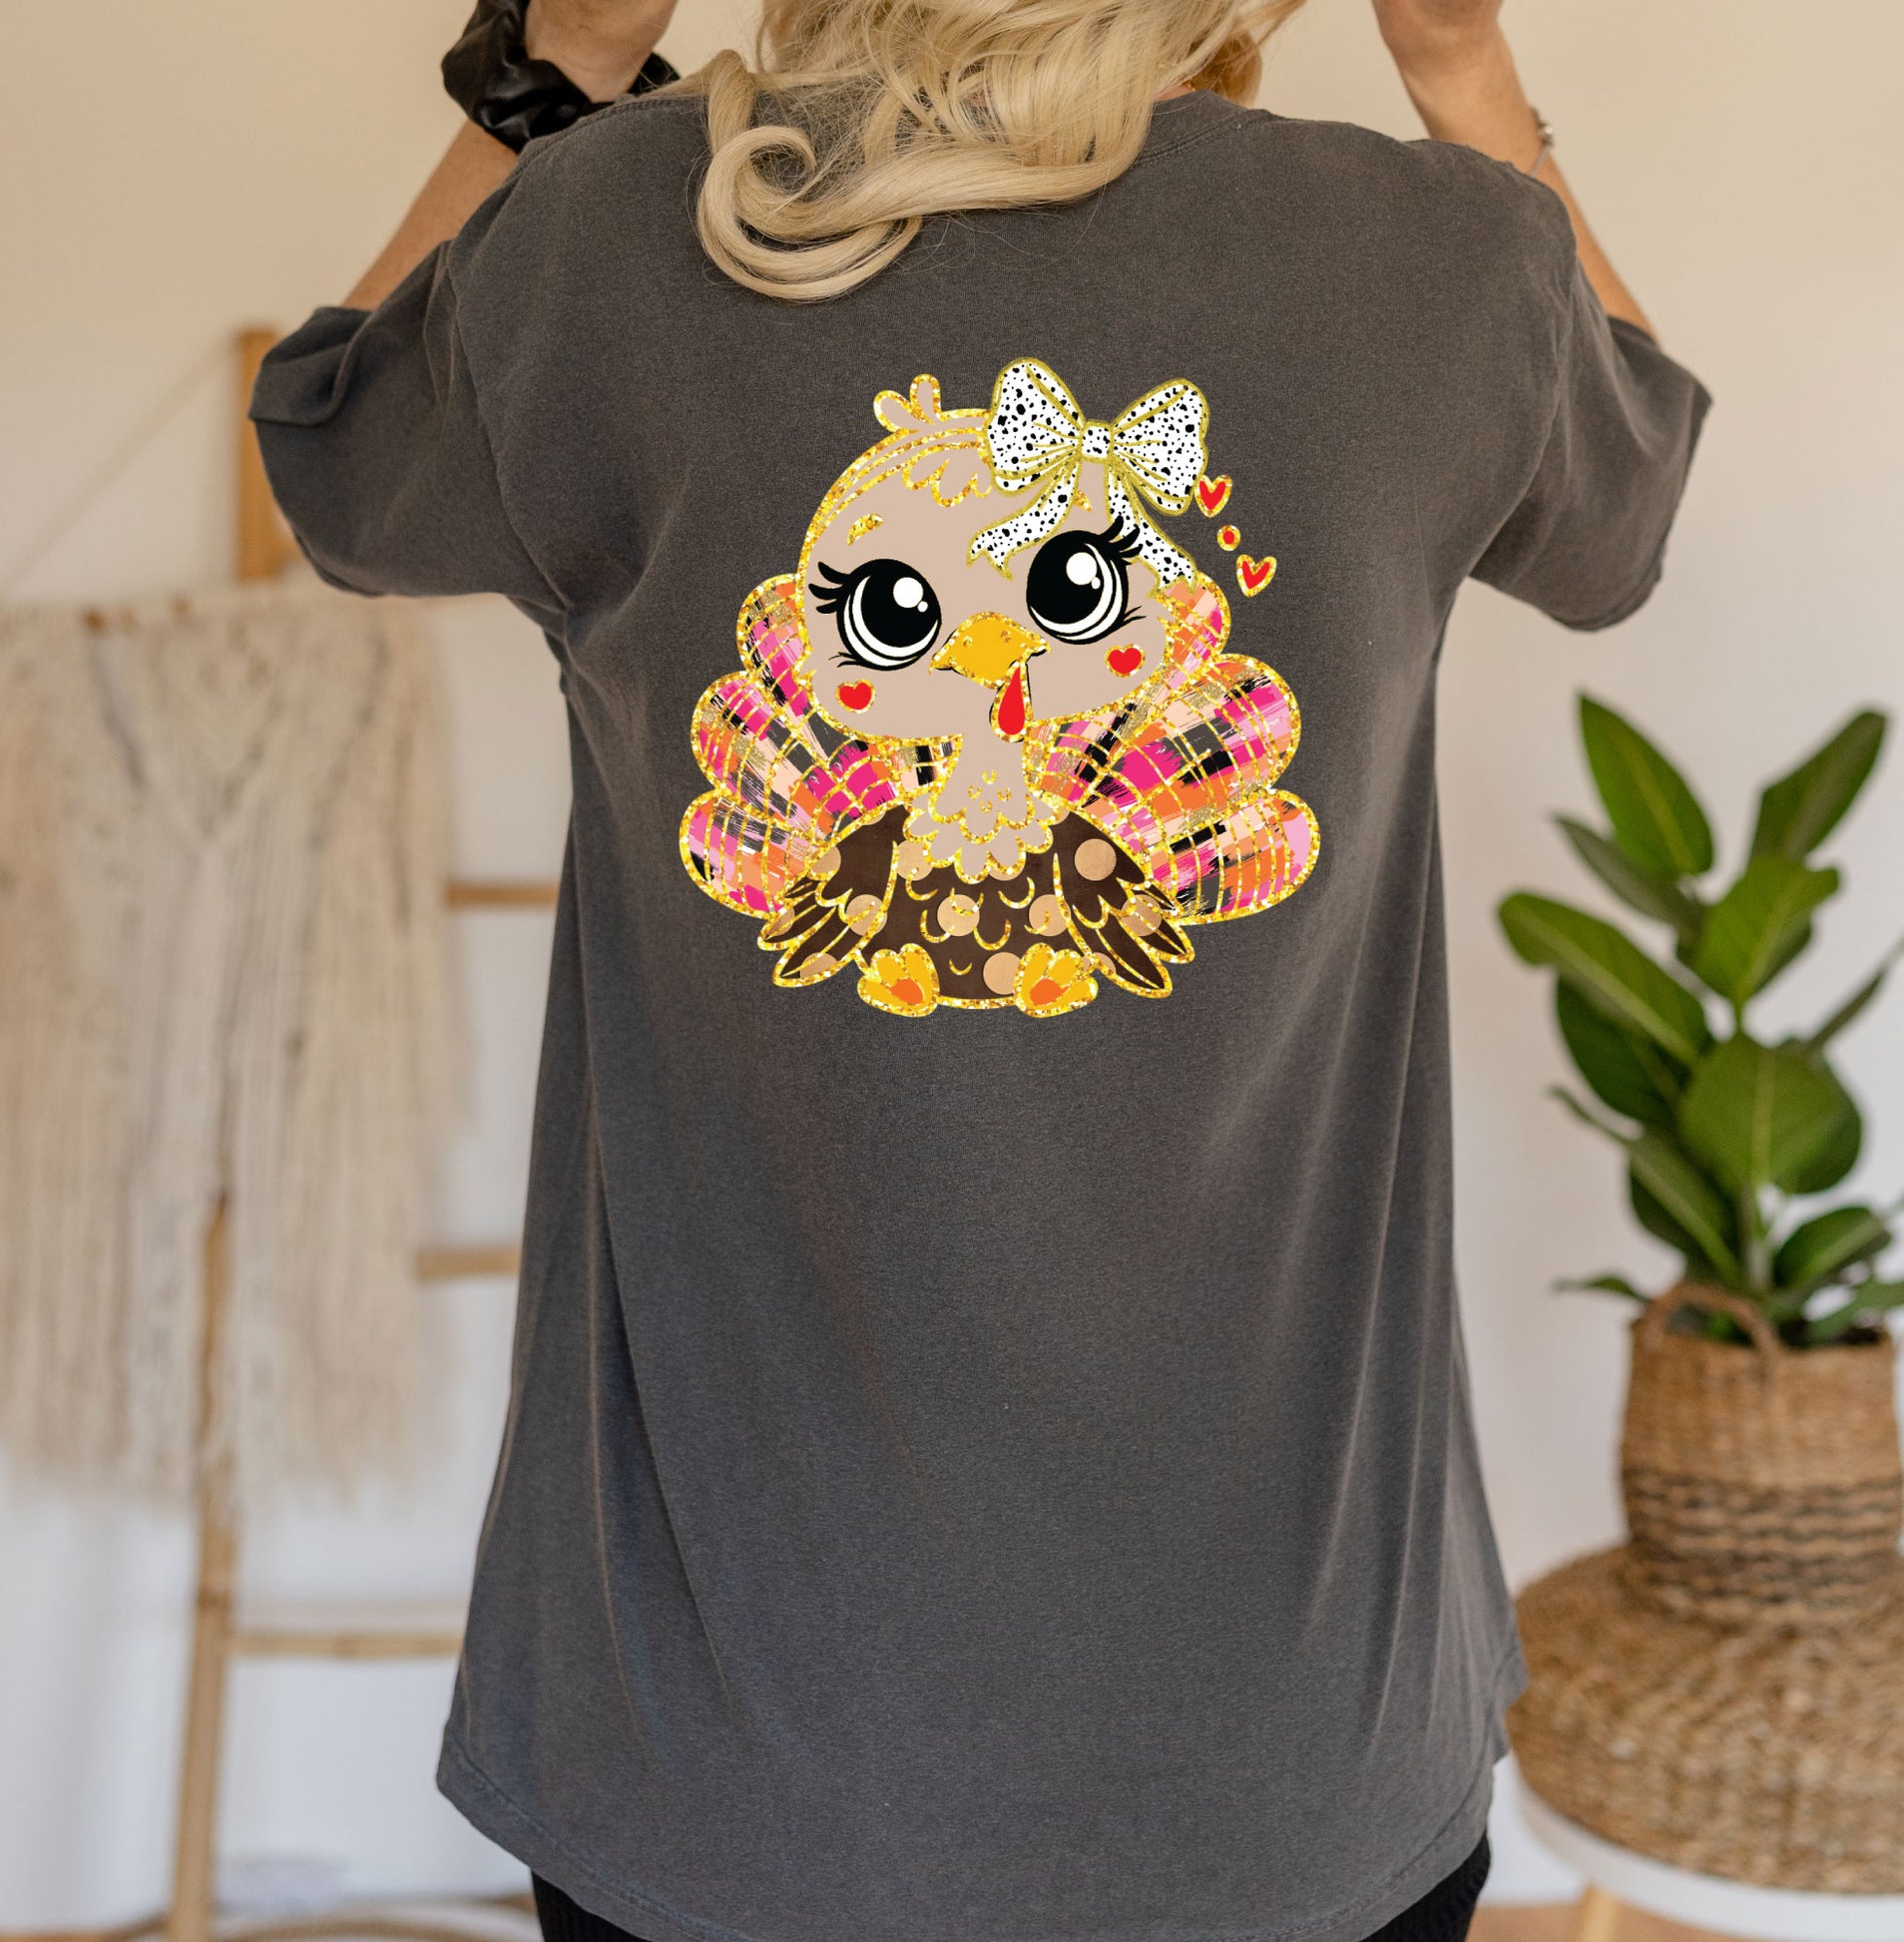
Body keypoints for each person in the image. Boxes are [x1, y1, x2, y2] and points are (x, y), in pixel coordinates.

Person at [251, 1, 1708, 1937]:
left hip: (731, 1770)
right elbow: (1627, 509)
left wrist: (562, 58)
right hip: (1285, 1762)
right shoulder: (1438, 257)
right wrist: (1459, 67)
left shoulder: (611, 231)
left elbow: (330, 451)